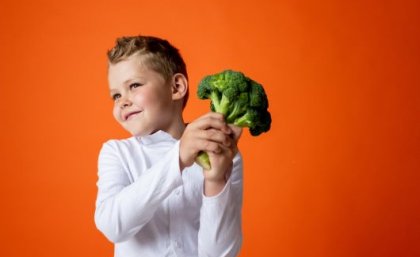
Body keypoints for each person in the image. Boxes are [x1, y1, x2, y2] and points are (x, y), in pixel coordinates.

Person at [94, 35, 243, 257]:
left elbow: (220, 253)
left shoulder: (221, 152)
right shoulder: (116, 153)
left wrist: (215, 181)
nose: (122, 101)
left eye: (134, 85)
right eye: (116, 95)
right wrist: (179, 157)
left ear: (176, 87)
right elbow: (113, 226)